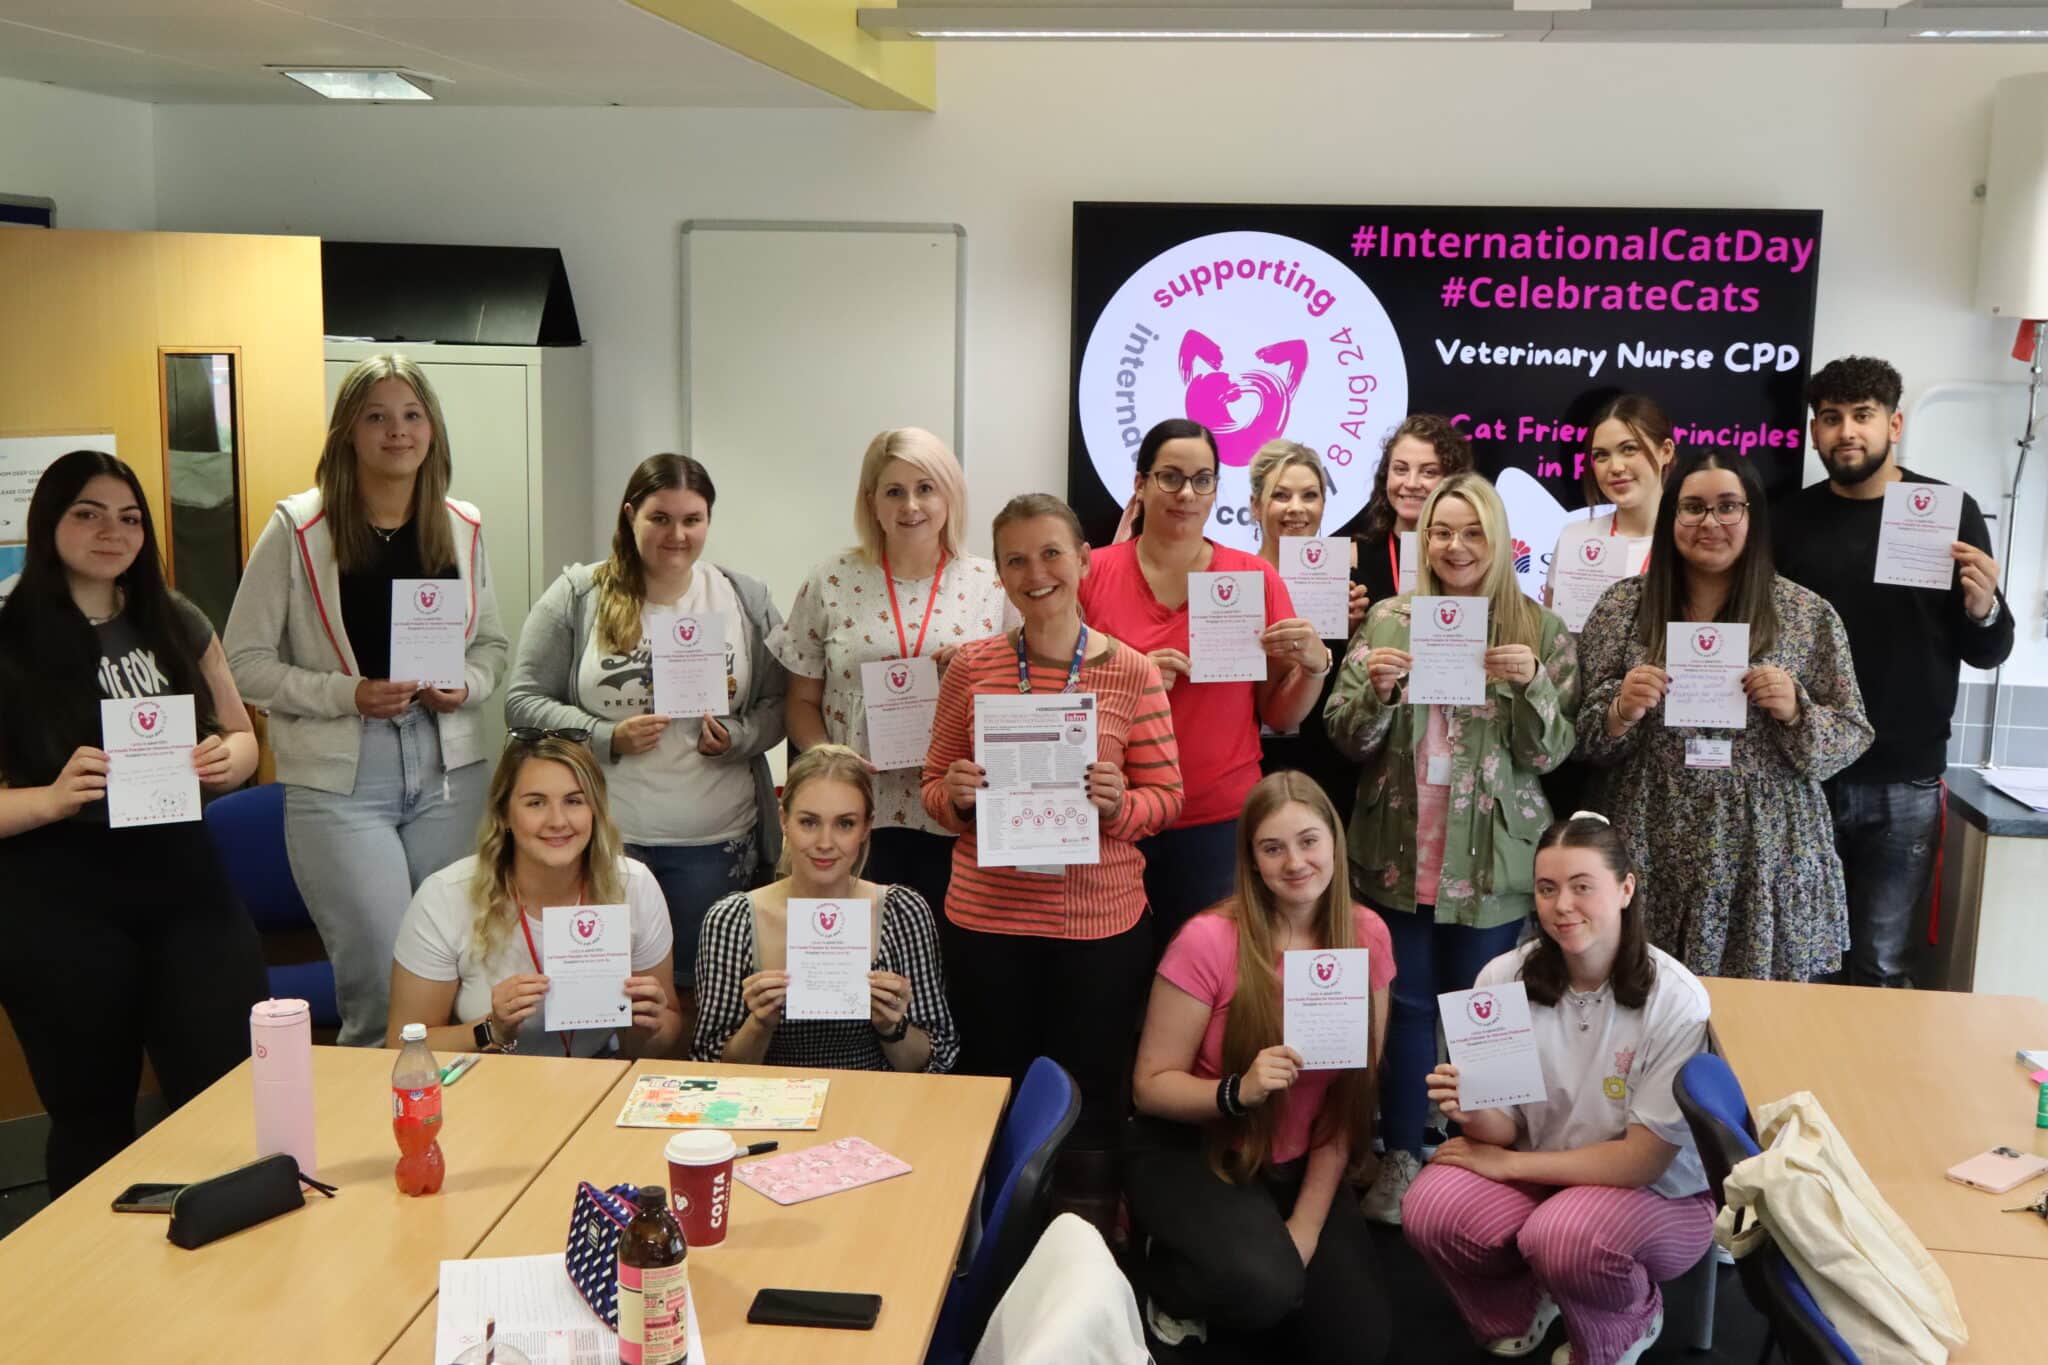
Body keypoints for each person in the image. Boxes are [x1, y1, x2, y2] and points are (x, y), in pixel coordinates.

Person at [0, 451, 267, 1195]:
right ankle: (93, 1290)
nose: (111, 532)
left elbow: (245, 738)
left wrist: (228, 759)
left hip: (187, 886)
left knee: (225, 1091)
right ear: (49, 521)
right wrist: (51, 797)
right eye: (87, 513)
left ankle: (231, 1261)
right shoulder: (8, 632)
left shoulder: (176, 618)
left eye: (129, 517)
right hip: (58, 899)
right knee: (91, 1116)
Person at [226, 354, 507, 1046]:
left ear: (433, 430)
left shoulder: (461, 525)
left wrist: (463, 685)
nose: (397, 431)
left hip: (450, 771)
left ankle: (461, 1135)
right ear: (347, 431)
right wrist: (346, 693)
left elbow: (493, 648)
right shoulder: (298, 529)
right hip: (343, 780)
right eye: (376, 416)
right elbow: (244, 664)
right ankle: (377, 1143)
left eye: (412, 415)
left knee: (458, 975)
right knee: (385, 989)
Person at [1324, 472, 1579, 1223]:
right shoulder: (1389, 622)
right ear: (1422, 539)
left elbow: (1555, 752)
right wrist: (1374, 693)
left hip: (1493, 863)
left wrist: (1533, 684)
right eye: (1442, 531)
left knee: (1487, 1011)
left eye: (1473, 532)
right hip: (1398, 848)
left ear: (1498, 540)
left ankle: (1487, 1162)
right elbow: (1345, 736)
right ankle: (1404, 1150)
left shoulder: (1540, 630)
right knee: (1404, 1009)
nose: (1456, 546)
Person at [924, 494, 1184, 1216]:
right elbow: (932, 789)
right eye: (1015, 559)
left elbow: (1168, 797)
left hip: (1096, 928)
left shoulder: (1132, 672)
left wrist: (1120, 802)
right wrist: (959, 792)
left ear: (1082, 561)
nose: (1035, 572)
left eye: (1050, 554)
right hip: (988, 924)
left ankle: (1084, 1240)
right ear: (1000, 574)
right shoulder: (973, 667)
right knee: (993, 1081)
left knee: (1090, 1089)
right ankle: (992, 1236)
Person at [1403, 813, 1714, 1365]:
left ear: (1625, 889)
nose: (1561, 905)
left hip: (1658, 1196)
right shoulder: (1501, 979)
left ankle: (1627, 1319)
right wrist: (1472, 1111)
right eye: (1547, 889)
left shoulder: (1677, 1000)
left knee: (1563, 1237)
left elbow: (1642, 1162)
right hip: (1544, 1172)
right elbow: (1506, 1129)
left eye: (1581, 887)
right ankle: (1520, 1303)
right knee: (1430, 1208)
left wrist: (1510, 1167)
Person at [1574, 447, 1873, 983]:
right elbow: (1580, 740)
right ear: (1671, 519)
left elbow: (1851, 736)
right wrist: (1619, 710)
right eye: (1692, 508)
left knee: (1757, 1029)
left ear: (1753, 518)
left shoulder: (1806, 615)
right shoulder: (1622, 609)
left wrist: (1796, 711)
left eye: (1728, 506)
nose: (1709, 522)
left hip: (1763, 851)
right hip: (1649, 835)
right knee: (1644, 1012)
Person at [1127, 773, 1393, 1364]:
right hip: (1198, 1147)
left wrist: (1305, 1227)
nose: (1295, 862)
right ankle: (1169, 1280)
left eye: (1308, 841)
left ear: (1335, 843)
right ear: (1251, 859)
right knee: (1263, 1291)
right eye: (1273, 848)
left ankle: (1256, 1256)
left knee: (1359, 1345)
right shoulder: (1207, 940)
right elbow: (1149, 1088)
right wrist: (1236, 1091)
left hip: (1300, 1160)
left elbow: (1349, 1101)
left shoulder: (1367, 936)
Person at [505, 453, 787, 1007]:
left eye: (692, 519)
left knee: (703, 998)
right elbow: (521, 703)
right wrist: (604, 735)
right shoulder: (579, 595)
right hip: (603, 841)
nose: (677, 534)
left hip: (714, 839)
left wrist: (739, 735)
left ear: (708, 521)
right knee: (599, 998)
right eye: (660, 518)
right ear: (630, 515)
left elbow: (783, 703)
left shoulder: (742, 597)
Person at [1774, 357, 2014, 987]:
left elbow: (1987, 650)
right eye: (1830, 418)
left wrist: (1984, 606)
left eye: (1862, 416)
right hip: (1803, 772)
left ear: (1894, 423)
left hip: (1903, 780)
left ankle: (1865, 1089)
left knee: (1880, 963)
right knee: (1800, 962)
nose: (1846, 431)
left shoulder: (1948, 511)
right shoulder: (1786, 521)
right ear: (1814, 431)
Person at [1078, 419, 1329, 941]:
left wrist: (1313, 665)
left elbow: (1280, 715)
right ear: (1140, 483)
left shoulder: (1253, 578)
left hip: (1217, 823)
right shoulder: (1091, 575)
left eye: (1203, 479)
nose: (1187, 494)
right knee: (1114, 990)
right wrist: (1135, 679)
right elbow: (1056, 696)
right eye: (1170, 477)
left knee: (1207, 990)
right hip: (1108, 817)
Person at [770, 428, 1011, 921]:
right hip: (856, 811)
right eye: (894, 491)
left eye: (926, 488)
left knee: (944, 961)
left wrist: (976, 666)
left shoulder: (993, 583)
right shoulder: (830, 579)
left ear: (950, 494)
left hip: (954, 809)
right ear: (871, 501)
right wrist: (831, 760)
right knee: (860, 960)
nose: (911, 506)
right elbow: (799, 700)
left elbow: (1024, 688)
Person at [386, 733, 681, 1058]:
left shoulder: (633, 885)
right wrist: (491, 1029)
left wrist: (648, 1024)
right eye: (536, 803)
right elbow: (401, 1047)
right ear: (504, 815)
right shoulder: (445, 896)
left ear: (594, 811)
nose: (558, 821)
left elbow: (657, 1041)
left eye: (574, 801)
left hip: (598, 1079)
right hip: (487, 1084)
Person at [694, 744, 958, 1073]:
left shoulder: (902, 911)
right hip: (770, 1106)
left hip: (875, 1105)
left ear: (866, 828)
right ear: (784, 820)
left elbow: (936, 1060)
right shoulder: (732, 921)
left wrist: (893, 1027)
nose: (825, 842)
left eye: (845, 824)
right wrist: (758, 1024)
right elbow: (710, 1064)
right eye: (809, 822)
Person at [1250, 440, 1370, 826]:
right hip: (1254, 757)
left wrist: (1352, 632)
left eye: (1310, 495)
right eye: (1280, 495)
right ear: (1256, 506)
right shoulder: (1232, 583)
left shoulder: (1346, 586)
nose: (1296, 508)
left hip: (1328, 761)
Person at [1543, 394, 1673, 617]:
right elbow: (1553, 638)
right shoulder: (1577, 538)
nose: (1616, 467)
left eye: (1629, 449)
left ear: (1666, 451)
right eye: (1601, 455)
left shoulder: (1693, 539)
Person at [1352, 414, 1473, 605]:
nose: (1411, 483)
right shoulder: (1353, 557)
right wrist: (1351, 628)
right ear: (1386, 474)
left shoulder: (1470, 558)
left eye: (1429, 472)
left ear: (1452, 480)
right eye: (1401, 469)